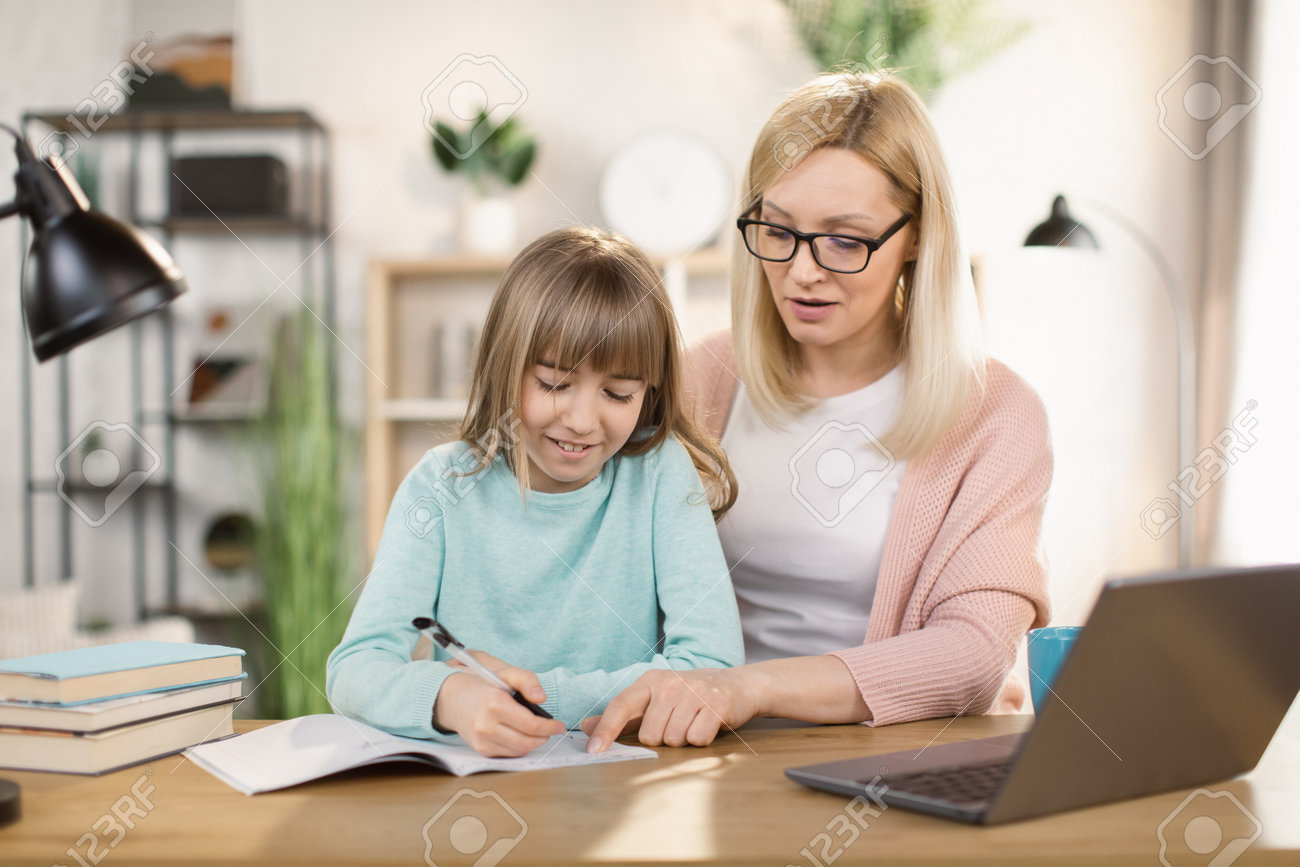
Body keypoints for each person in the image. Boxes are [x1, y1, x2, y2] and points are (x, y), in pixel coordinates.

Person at [583, 71, 1052, 753]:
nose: (803, 271)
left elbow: (974, 653)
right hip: (701, 759)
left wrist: (749, 688)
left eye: (844, 239)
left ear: (917, 236)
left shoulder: (995, 413)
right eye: (778, 230)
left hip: (888, 762)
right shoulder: (700, 379)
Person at [327, 227, 744, 757]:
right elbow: (355, 667)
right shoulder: (441, 485)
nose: (581, 420)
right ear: (506, 365)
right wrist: (451, 697)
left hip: (622, 788)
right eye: (552, 384)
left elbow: (712, 666)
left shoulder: (660, 473)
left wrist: (543, 699)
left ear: (649, 391)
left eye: (618, 393)